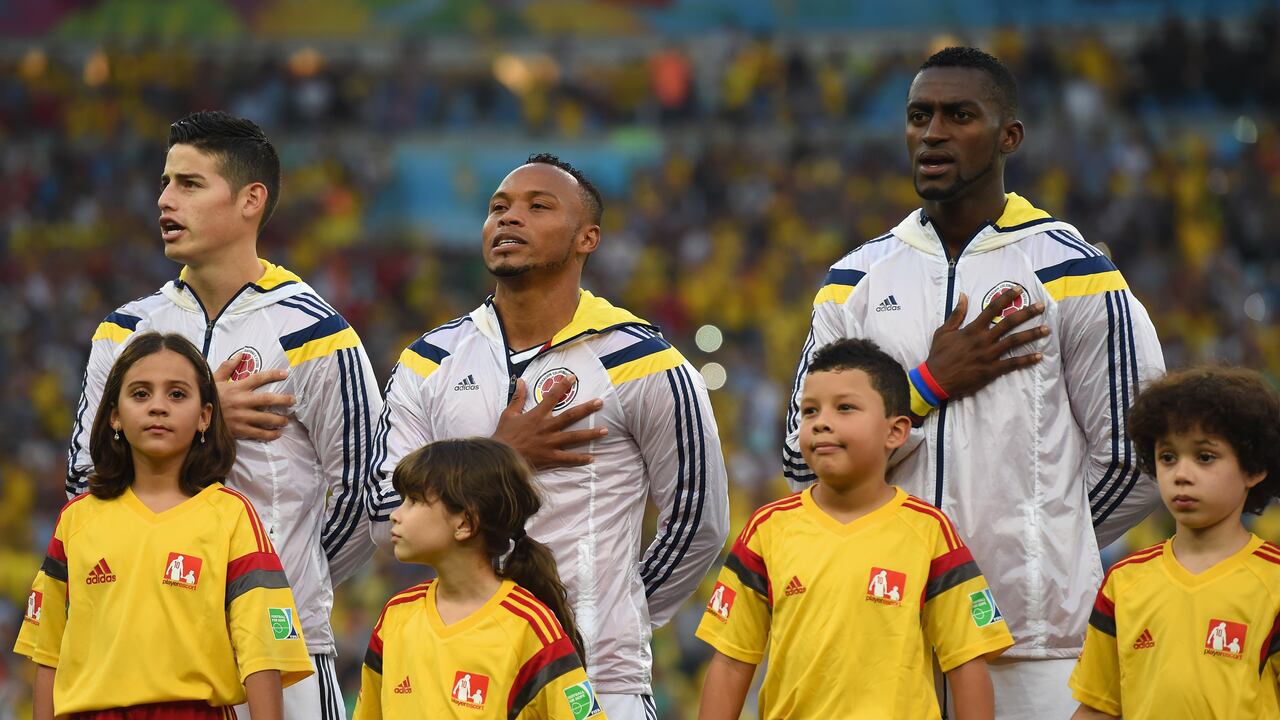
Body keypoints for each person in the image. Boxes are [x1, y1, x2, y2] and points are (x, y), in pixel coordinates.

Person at [782, 47, 1165, 717]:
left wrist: (1045, 538)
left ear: (1008, 135)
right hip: (885, 635)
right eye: (919, 116)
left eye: (960, 115)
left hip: (1031, 641)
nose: (933, 133)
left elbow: (1139, 457)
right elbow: (798, 456)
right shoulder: (856, 281)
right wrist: (927, 385)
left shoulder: (1075, 274)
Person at [370, 154, 729, 719]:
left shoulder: (645, 362)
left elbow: (700, 523)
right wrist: (499, 456)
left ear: (588, 238)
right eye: (498, 208)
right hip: (454, 679)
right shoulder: (427, 361)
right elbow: (383, 514)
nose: (509, 218)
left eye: (539, 207)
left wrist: (616, 612)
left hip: (598, 676)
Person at [63, 111, 381, 719]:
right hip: (148, 649)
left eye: (189, 183)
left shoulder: (316, 335)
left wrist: (280, 580)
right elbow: (84, 487)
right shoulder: (125, 331)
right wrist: (196, 413)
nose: (164, 199)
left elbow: (362, 502)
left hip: (284, 656)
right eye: (165, 182)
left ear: (250, 200)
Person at [699, 339, 1012, 719]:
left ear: (895, 432)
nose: (822, 422)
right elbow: (731, 663)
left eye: (844, 407)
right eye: (809, 411)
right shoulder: (766, 530)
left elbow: (966, 663)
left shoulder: (929, 531)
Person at [16, 332, 314, 719]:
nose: (158, 407)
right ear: (115, 416)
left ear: (205, 416)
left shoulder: (232, 516)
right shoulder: (76, 520)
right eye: (140, 394)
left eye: (177, 395)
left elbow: (262, 654)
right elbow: (48, 654)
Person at [1068, 367, 1280, 719]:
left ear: (1254, 469)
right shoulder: (1124, 582)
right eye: (1168, 457)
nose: (1181, 474)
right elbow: (1098, 708)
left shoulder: (1273, 582)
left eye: (1205, 457)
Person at [354, 438, 605, 719]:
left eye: (413, 501)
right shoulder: (396, 614)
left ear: (464, 523)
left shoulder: (529, 625)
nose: (395, 515)